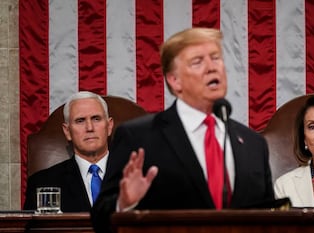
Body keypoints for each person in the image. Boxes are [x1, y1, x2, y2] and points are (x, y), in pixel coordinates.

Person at [91, 27, 276, 232]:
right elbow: (99, 219)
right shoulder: (139, 137)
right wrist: (124, 203)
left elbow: (270, 219)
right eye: (198, 62)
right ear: (174, 80)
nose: (211, 67)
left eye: (215, 58)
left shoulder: (253, 144)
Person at [24, 91, 114, 212]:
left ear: (109, 126)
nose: (90, 128)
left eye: (96, 119)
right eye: (80, 121)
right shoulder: (42, 183)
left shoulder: (138, 176)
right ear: (67, 131)